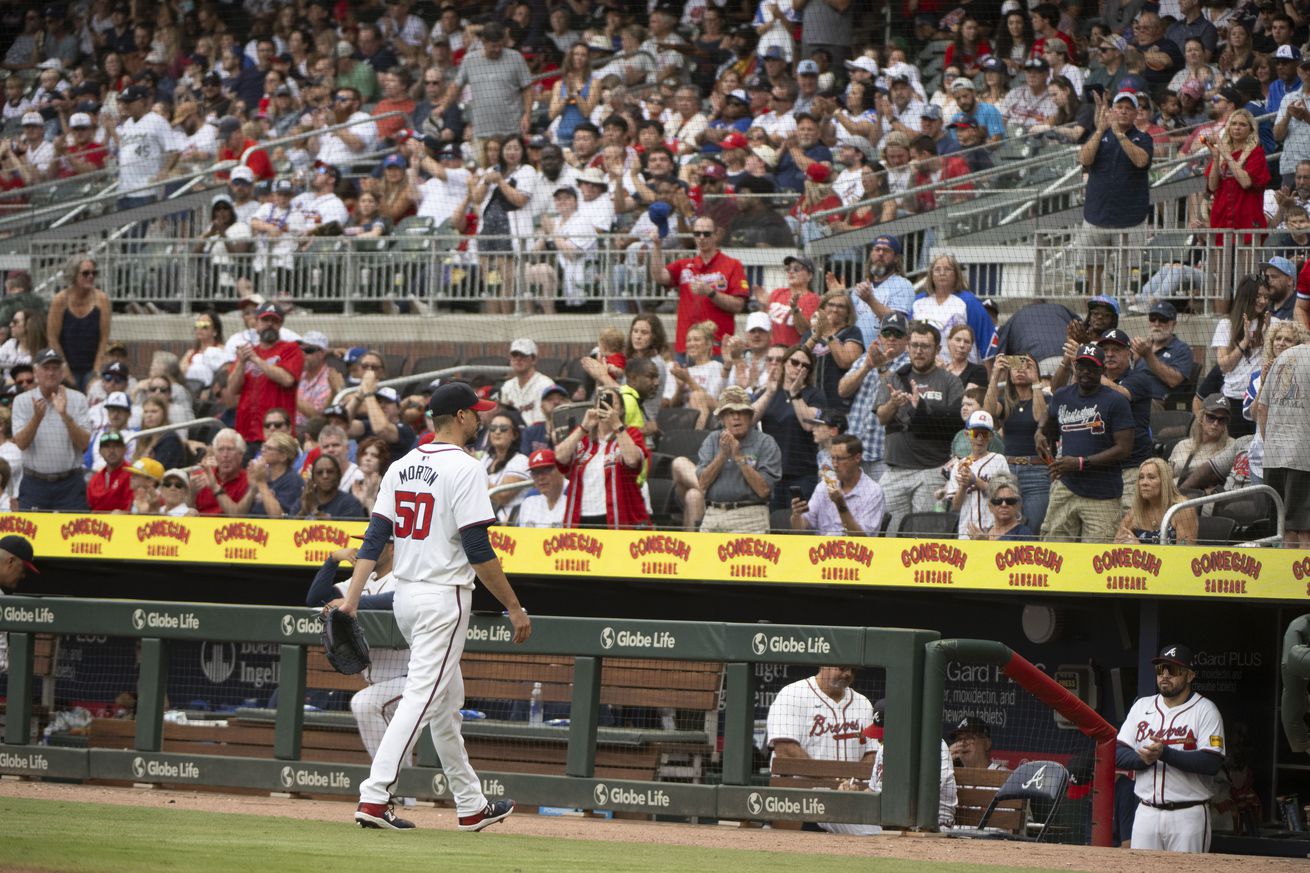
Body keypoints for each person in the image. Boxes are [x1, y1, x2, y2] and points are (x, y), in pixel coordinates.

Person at [341, 382, 531, 831]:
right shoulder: (465, 468)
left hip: (407, 597)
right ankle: (375, 796)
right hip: (443, 597)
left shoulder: (401, 464)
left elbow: (373, 537)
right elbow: (477, 547)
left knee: (446, 703)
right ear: (462, 416)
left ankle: (470, 804)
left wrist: (352, 596)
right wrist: (514, 606)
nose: (481, 418)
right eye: (476, 412)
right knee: (423, 697)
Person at [1116, 644, 1225, 853]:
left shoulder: (1206, 710)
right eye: (1161, 669)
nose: (1165, 675)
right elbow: (1117, 753)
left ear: (1190, 675)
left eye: (1173, 670)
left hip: (1188, 814)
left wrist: (1165, 753)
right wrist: (1144, 759)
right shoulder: (1142, 706)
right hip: (1146, 812)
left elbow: (1212, 762)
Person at [1037, 344, 1133, 543]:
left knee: (1098, 556)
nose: (1086, 372)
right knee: (1053, 551)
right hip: (1066, 486)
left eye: (1092, 367)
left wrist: (1081, 462)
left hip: (1102, 494)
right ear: (1074, 367)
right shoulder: (1063, 395)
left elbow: (1124, 448)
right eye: (1081, 366)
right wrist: (1039, 432)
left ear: (1102, 371)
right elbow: (1049, 414)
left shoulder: (1116, 401)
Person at [766, 666, 877, 835]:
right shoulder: (792, 694)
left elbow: (872, 753)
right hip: (803, 800)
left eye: (852, 670)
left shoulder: (863, 703)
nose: (847, 674)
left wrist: (853, 782)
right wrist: (833, 780)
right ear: (824, 664)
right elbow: (786, 750)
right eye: (842, 668)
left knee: (872, 832)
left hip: (850, 799)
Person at [875, 322, 964, 532]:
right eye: (914, 345)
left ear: (937, 350)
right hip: (895, 469)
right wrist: (893, 404)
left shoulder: (950, 381)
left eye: (925, 346)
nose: (918, 351)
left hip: (932, 470)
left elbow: (957, 422)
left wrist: (921, 409)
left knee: (925, 537)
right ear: (907, 346)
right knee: (888, 535)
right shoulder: (895, 378)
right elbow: (881, 417)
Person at [1078, 90, 1153, 296]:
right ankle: (1093, 306)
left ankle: (1126, 303)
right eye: (1119, 108)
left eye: (1128, 109)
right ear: (1112, 110)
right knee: (1092, 268)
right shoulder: (1100, 135)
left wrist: (1120, 135)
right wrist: (1100, 130)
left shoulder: (1143, 138)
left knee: (1129, 270)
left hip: (1130, 218)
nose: (1123, 112)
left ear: (1136, 113)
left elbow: (1141, 161)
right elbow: (1084, 159)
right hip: (1096, 215)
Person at [648, 215, 748, 357]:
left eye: (706, 233)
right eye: (697, 234)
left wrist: (711, 292)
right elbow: (658, 276)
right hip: (686, 348)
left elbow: (738, 305)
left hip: (717, 350)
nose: (701, 237)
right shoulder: (684, 265)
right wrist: (657, 246)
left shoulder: (733, 265)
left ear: (716, 235)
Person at [555, 386, 650, 529]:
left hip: (618, 518)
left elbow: (632, 460)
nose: (607, 406)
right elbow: (560, 457)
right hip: (581, 518)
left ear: (622, 410)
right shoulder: (583, 437)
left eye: (612, 403)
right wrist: (583, 427)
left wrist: (617, 424)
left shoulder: (630, 434)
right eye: (602, 401)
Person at [691, 386, 781, 534]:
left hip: (751, 516)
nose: (736, 417)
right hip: (714, 514)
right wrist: (722, 455)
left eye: (741, 412)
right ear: (722, 418)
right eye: (730, 413)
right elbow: (703, 483)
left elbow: (764, 490)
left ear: (750, 416)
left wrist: (738, 457)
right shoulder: (712, 440)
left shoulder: (766, 442)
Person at [12, 347, 90, 510]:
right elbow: (20, 443)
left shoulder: (78, 399)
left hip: (70, 484)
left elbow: (84, 444)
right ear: (36, 372)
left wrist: (64, 414)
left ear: (62, 373)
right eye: (45, 368)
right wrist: (37, 418)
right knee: (31, 534)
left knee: (76, 534)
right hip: (35, 483)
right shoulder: (22, 401)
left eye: (55, 368)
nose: (51, 373)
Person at [985, 354, 1050, 533]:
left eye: (1027, 366)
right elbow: (987, 413)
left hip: (1036, 472)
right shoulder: (1005, 403)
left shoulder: (1045, 399)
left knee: (1034, 526)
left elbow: (1040, 418)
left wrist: (1035, 380)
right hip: (1008, 471)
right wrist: (996, 374)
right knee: (1005, 526)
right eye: (1015, 366)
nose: (1020, 370)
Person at [228, 302, 303, 455]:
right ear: (256, 324)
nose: (269, 325)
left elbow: (287, 379)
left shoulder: (291, 349)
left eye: (274, 321)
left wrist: (256, 360)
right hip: (246, 432)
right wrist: (241, 364)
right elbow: (232, 389)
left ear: (280, 324)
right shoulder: (247, 352)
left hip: (277, 433)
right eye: (265, 320)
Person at [1257, 340, 1310, 548]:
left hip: (1273, 458)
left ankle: (1290, 578)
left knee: (1285, 526)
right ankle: (1304, 580)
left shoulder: (1282, 358)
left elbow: (1262, 408)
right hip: (1302, 458)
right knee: (1305, 528)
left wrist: (1271, 442)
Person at [790, 433, 884, 536]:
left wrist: (841, 506)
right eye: (833, 458)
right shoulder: (824, 486)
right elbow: (800, 530)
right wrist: (797, 515)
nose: (834, 464)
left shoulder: (873, 491)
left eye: (840, 459)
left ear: (857, 458)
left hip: (854, 550)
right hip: (821, 549)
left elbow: (863, 539)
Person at [47, 255, 111, 390]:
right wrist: (65, 371)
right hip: (66, 366)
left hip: (92, 367)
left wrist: (96, 372)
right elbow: (53, 338)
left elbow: (104, 339)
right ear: (73, 275)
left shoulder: (102, 300)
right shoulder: (60, 300)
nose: (91, 276)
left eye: (94, 273)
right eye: (86, 273)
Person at [945, 410, 1009, 539]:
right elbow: (955, 507)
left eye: (984, 434)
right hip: (966, 532)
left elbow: (1005, 497)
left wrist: (975, 480)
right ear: (967, 434)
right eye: (976, 433)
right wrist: (963, 487)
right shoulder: (959, 465)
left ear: (991, 436)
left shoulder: (999, 460)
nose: (980, 438)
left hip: (994, 531)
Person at [1116, 457, 1198, 545]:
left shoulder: (1182, 509)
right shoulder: (1135, 512)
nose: (1144, 483)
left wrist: (1140, 548)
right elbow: (1115, 545)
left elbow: (1184, 552)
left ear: (1164, 481)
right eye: (1141, 477)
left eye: (1151, 477)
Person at [1169, 394, 1233, 482]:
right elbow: (1167, 475)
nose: (1215, 423)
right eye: (1211, 417)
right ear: (1201, 417)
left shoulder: (1231, 447)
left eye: (1221, 420)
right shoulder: (1182, 445)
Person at [247, 431, 305, 518]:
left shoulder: (293, 480)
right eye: (263, 446)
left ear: (283, 456)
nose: (263, 450)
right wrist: (252, 489)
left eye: (269, 448)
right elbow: (239, 513)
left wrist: (261, 483)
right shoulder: (262, 474)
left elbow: (278, 517)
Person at [194, 428, 250, 516]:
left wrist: (214, 487)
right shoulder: (201, 476)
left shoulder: (249, 480)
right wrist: (191, 492)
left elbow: (237, 516)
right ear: (214, 454)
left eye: (230, 449)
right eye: (220, 450)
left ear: (241, 454)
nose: (225, 455)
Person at [499, 339, 555, 427]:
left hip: (536, 434)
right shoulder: (507, 386)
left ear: (534, 359)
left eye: (523, 355)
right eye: (515, 355)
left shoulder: (546, 385)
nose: (518, 358)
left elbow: (545, 421)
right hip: (511, 435)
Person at [967, 474, 1036, 540]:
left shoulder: (1024, 534)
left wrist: (985, 544)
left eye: (1010, 501)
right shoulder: (984, 533)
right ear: (990, 506)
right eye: (998, 501)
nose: (1004, 505)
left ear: (1017, 506)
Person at [517, 449, 568, 528]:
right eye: (535, 473)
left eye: (546, 470)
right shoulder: (529, 500)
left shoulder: (574, 496)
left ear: (560, 469)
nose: (540, 477)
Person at [86, 431, 132, 512]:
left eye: (116, 446)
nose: (111, 450)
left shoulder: (132, 475)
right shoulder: (94, 480)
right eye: (107, 447)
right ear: (100, 452)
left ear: (125, 450)